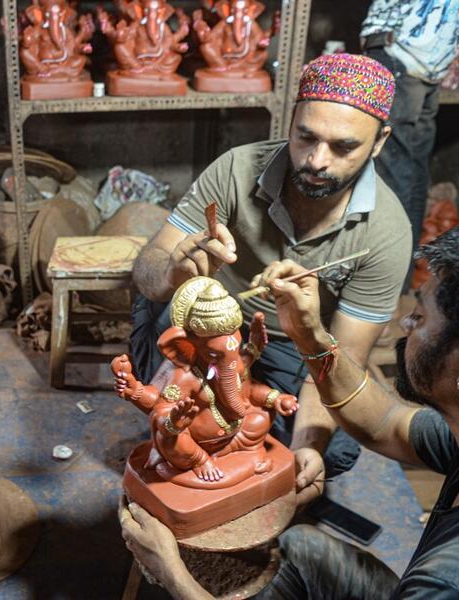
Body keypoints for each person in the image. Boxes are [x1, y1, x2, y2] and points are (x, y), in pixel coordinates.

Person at [120, 226, 459, 599]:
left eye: (421, 317)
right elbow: (386, 423)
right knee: (299, 544)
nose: (405, 322)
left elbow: (244, 394)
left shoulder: (443, 581)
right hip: (200, 446)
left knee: (267, 429)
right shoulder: (454, 432)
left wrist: (171, 572)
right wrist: (308, 331)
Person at [130, 53, 412, 494]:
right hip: (204, 328)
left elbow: (340, 358)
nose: (317, 160)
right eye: (306, 137)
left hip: (293, 345)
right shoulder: (236, 170)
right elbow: (145, 275)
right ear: (290, 120)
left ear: (378, 142)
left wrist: (307, 445)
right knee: (174, 396)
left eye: (343, 147)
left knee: (328, 451)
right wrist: (173, 273)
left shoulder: (387, 233)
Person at [361, 0, 459, 288]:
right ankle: (392, 281)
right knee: (405, 173)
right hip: (415, 62)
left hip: (414, 63)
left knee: (403, 175)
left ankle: (389, 284)